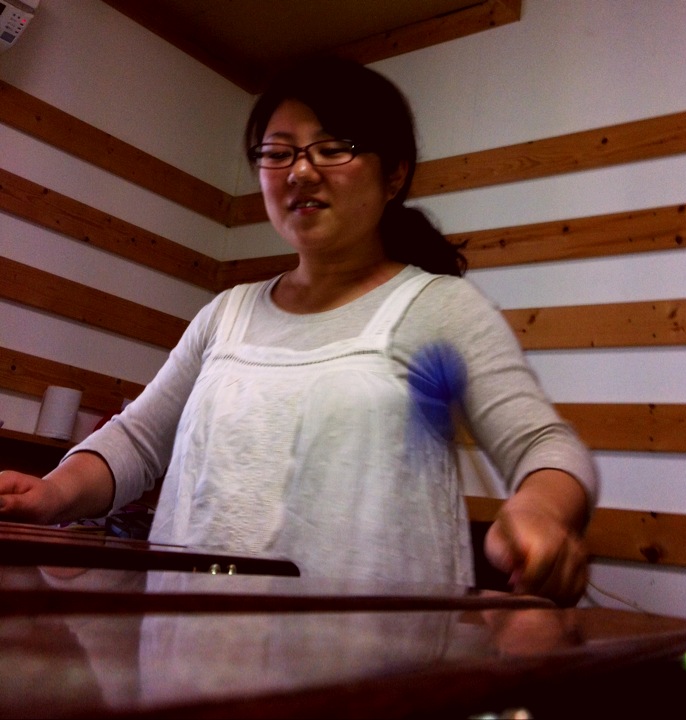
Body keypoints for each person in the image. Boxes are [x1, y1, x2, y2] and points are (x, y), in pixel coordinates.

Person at [0, 57, 597, 605]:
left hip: (379, 659)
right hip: (186, 647)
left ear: (394, 175)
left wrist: (541, 513)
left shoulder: (440, 307)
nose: (301, 171)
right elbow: (137, 441)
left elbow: (545, 446)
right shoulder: (226, 312)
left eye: (333, 148)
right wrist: (52, 494)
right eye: (278, 153)